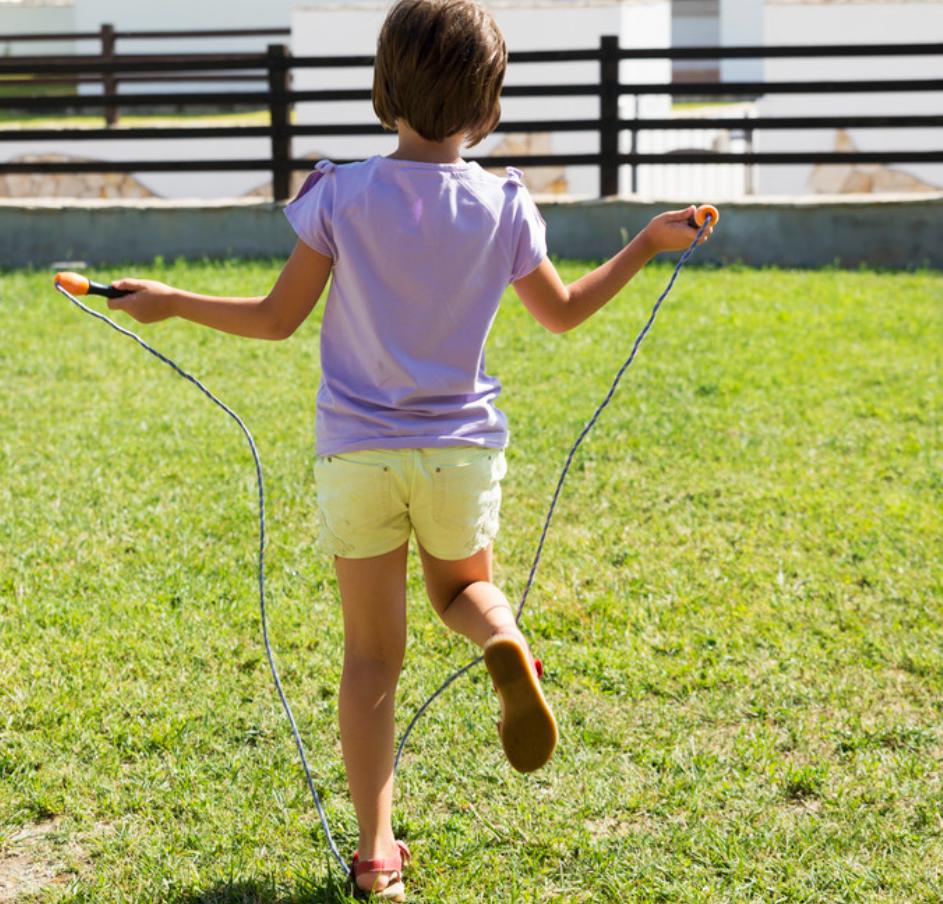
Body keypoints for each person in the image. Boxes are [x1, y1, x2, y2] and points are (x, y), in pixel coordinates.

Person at [106, 0, 713, 897]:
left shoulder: (339, 193)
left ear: (385, 89)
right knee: (464, 589)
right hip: (459, 452)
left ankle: (378, 853)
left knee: (370, 657)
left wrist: (171, 299)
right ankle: (500, 637)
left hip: (356, 456)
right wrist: (647, 242)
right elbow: (565, 312)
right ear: (488, 105)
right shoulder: (504, 202)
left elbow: (276, 322)